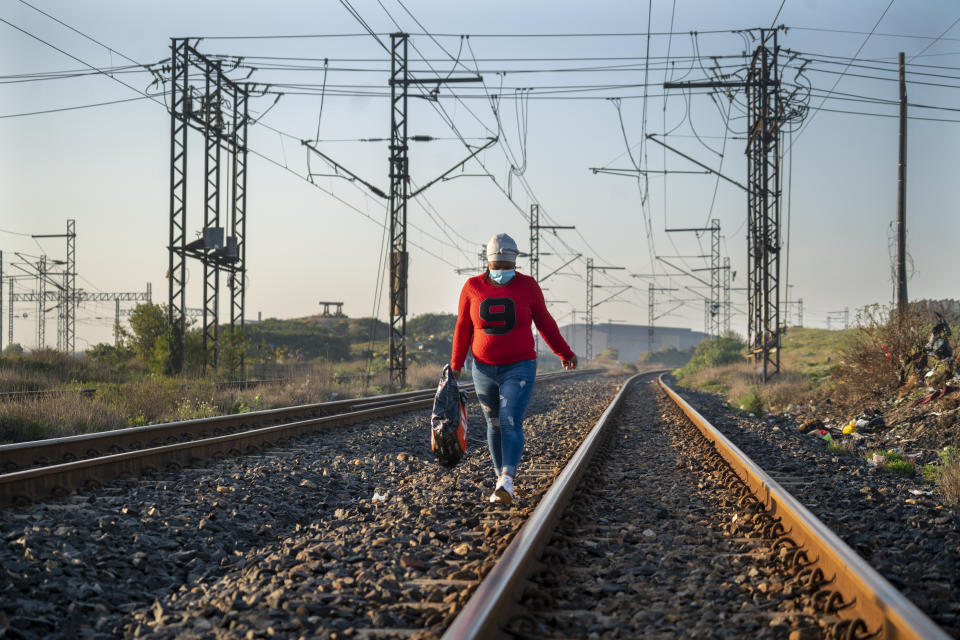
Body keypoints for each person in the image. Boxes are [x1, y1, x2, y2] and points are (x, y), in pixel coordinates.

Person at [450, 233, 578, 505]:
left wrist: (563, 352)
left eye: (506, 267)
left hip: (519, 366)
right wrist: (456, 365)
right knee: (493, 423)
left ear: (515, 263)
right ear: (488, 263)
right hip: (483, 369)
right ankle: (501, 482)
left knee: (509, 420)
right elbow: (462, 327)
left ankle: (507, 480)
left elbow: (545, 322)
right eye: (498, 267)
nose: (502, 272)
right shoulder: (472, 287)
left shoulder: (528, 287)